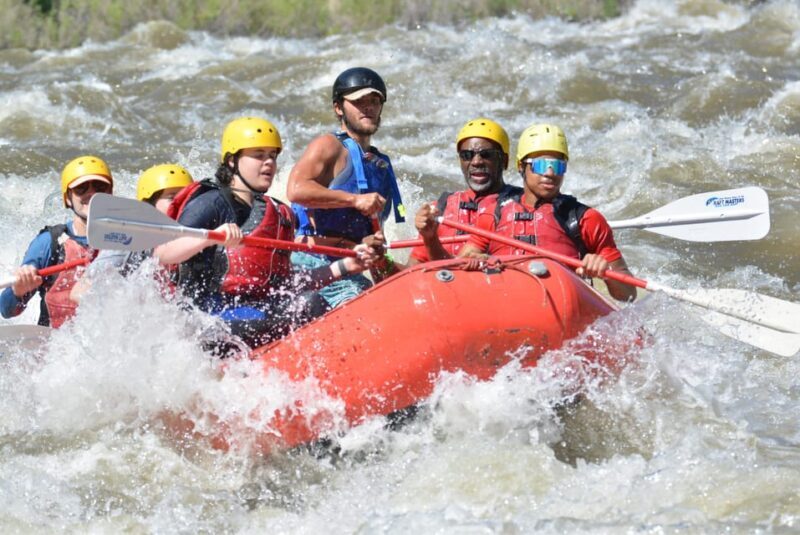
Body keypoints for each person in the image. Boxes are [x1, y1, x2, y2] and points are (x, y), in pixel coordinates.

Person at [153, 117, 377, 346]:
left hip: (255, 312)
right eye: (258, 155)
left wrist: (345, 266)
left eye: (272, 156)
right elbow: (163, 252)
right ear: (232, 161)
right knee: (308, 305)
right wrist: (209, 238)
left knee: (310, 303)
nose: (268, 163)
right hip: (209, 321)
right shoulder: (211, 203)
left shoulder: (277, 213)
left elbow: (286, 283)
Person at [419, 123, 637, 302]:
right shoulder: (493, 212)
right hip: (501, 303)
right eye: (541, 165)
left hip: (560, 308)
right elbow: (457, 269)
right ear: (521, 167)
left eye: (558, 165)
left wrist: (605, 271)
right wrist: (472, 260)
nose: (550, 173)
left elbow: (628, 294)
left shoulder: (585, 219)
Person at [287, 67, 406, 309]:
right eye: (358, 101)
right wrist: (353, 200)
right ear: (338, 108)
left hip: (352, 268)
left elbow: (372, 235)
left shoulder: (381, 165)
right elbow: (296, 189)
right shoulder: (329, 145)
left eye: (374, 101)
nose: (368, 107)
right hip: (313, 262)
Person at [0, 155, 114, 327]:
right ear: (68, 198)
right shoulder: (49, 243)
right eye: (81, 188)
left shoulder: (128, 240)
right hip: (57, 346)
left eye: (100, 187)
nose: (91, 194)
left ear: (110, 194)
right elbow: (5, 310)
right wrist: (19, 291)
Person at [69, 163, 194, 303]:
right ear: (149, 205)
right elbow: (79, 292)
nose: (182, 203)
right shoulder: (129, 240)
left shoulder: (198, 235)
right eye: (172, 197)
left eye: (187, 198)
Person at [410, 117, 521, 265]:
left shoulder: (522, 205)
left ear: (505, 161)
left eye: (486, 154)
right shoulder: (440, 208)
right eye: (467, 155)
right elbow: (410, 274)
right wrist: (382, 261)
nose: (476, 161)